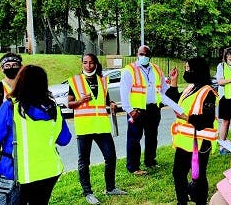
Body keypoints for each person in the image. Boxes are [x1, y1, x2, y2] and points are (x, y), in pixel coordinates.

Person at [0, 65, 72, 204]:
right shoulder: (54, 109)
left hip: (20, 173)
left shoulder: (11, 107)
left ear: (20, 82)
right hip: (50, 170)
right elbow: (65, 139)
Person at [68, 54, 127, 204]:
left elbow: (105, 99)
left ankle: (110, 188)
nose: (88, 66)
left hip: (101, 126)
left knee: (111, 157)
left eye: (91, 63)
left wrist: (112, 103)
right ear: (82, 64)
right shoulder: (75, 81)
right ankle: (87, 192)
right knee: (84, 162)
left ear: (95, 64)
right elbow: (69, 104)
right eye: (85, 63)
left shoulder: (103, 80)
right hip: (84, 127)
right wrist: (80, 101)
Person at [166, 57, 218, 205]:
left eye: (188, 68)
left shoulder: (207, 92)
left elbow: (207, 119)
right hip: (185, 141)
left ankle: (200, 202)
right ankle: (182, 201)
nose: (186, 71)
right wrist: (174, 82)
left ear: (197, 70)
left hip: (200, 143)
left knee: (199, 177)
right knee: (178, 173)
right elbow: (178, 101)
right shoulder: (190, 87)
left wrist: (186, 117)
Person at [120, 45, 169, 175]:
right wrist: (129, 110)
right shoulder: (129, 70)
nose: (143, 57)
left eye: (146, 55)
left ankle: (150, 161)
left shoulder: (157, 69)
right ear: (137, 54)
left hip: (153, 109)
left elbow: (163, 87)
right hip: (136, 110)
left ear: (150, 56)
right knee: (134, 138)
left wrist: (161, 102)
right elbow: (124, 92)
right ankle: (133, 167)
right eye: (141, 54)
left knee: (152, 137)